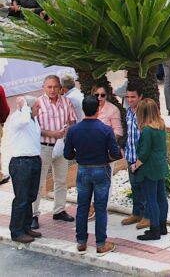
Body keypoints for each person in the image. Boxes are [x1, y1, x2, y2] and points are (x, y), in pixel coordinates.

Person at [63, 95, 121, 254]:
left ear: (83, 109)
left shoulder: (74, 130)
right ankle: (101, 243)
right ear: (98, 109)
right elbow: (115, 153)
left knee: (82, 206)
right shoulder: (105, 129)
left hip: (82, 169)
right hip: (101, 169)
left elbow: (67, 154)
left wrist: (80, 155)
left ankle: (81, 241)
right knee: (100, 207)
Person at [33, 74, 77, 228]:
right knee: (38, 182)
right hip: (43, 147)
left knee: (61, 180)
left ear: (60, 88)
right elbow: (34, 127)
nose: (52, 90)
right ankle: (33, 215)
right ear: (44, 88)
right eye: (49, 87)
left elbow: (72, 121)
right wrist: (52, 134)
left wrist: (67, 131)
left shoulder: (66, 102)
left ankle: (59, 210)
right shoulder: (38, 103)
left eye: (55, 87)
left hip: (61, 147)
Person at [131, 98, 169, 240]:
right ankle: (162, 226)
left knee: (151, 199)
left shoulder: (147, 130)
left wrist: (135, 166)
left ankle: (154, 230)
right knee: (161, 197)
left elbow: (144, 153)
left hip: (149, 169)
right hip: (160, 166)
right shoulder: (161, 125)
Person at [7, 96, 42, 244]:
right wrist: (24, 105)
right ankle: (16, 231)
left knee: (30, 196)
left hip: (33, 160)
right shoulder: (18, 118)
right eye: (36, 107)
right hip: (21, 162)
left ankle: (26, 226)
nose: (39, 110)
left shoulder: (33, 119)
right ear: (28, 108)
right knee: (21, 198)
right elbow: (24, 121)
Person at [120, 82, 148, 229]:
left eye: (133, 97)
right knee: (134, 186)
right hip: (130, 156)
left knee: (144, 187)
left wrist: (141, 158)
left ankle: (147, 216)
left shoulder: (144, 113)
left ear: (140, 97)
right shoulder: (128, 112)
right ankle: (136, 213)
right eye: (128, 97)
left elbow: (146, 138)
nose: (130, 100)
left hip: (140, 159)